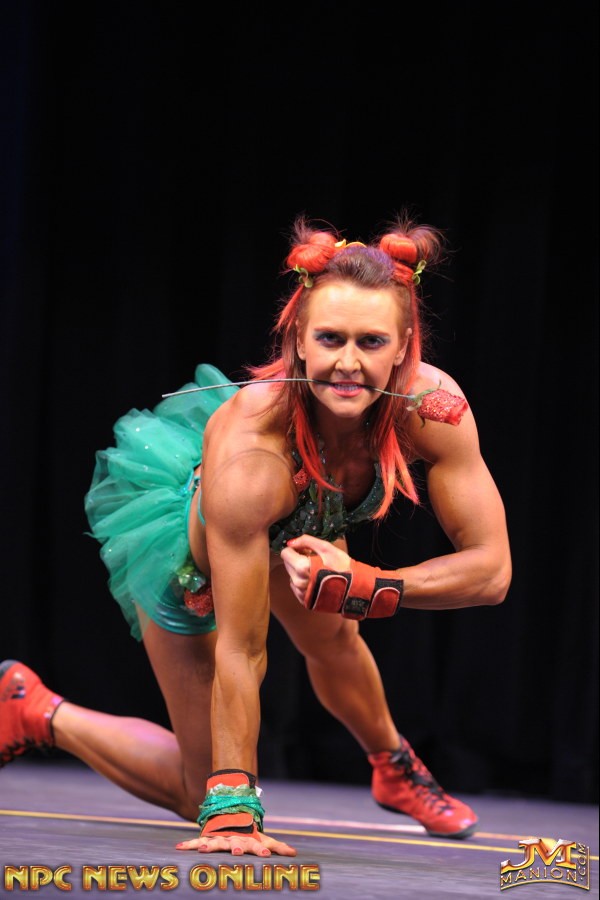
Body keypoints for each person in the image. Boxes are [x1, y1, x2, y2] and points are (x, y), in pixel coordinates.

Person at [0, 213, 512, 858]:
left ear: (405, 344)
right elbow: (242, 650)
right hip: (193, 575)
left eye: (372, 342)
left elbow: (492, 572)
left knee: (336, 636)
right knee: (199, 790)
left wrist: (371, 586)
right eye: (330, 339)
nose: (348, 364)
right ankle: (35, 709)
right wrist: (233, 810)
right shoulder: (252, 454)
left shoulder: (433, 409)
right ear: (298, 337)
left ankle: (395, 767)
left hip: (302, 525)